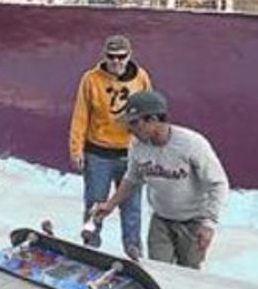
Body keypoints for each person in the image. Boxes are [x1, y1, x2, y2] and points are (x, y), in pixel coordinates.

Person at [92, 90, 229, 269]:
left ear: (153, 120)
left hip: (193, 222)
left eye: (134, 122)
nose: (129, 129)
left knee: (188, 274)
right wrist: (110, 205)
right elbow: (132, 179)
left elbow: (218, 184)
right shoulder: (137, 145)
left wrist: (209, 224)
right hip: (161, 221)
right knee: (159, 272)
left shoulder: (192, 144)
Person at [68, 34, 153, 259]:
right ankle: (91, 243)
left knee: (131, 205)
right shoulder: (91, 79)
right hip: (98, 152)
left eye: (121, 57)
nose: (116, 62)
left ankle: (133, 248)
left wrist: (150, 147)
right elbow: (80, 115)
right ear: (104, 56)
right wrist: (76, 149)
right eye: (111, 57)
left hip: (130, 153)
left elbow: (150, 111)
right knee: (95, 201)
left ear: (129, 56)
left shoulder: (141, 77)